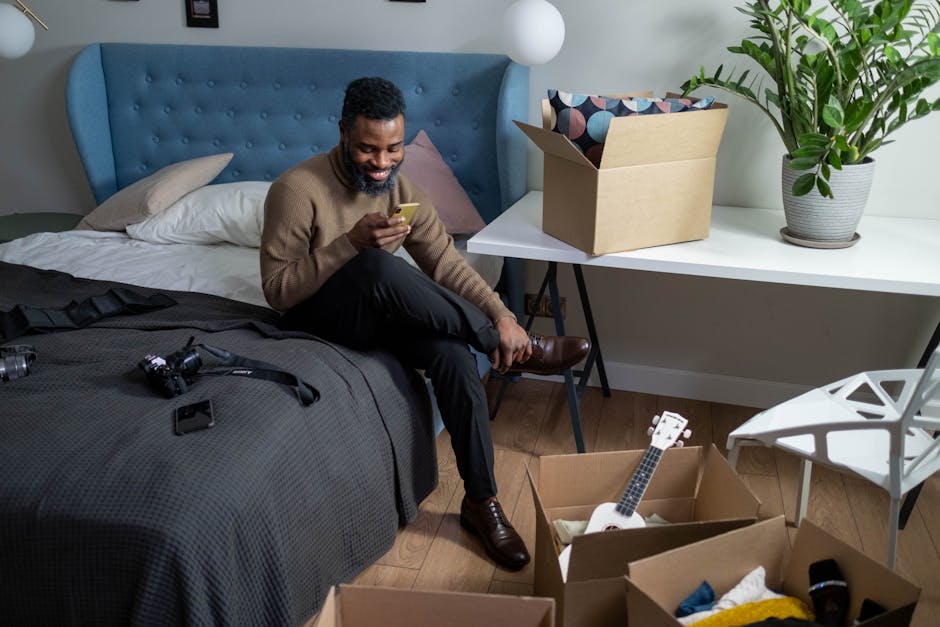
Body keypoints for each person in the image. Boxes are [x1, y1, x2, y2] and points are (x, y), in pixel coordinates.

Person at [259, 76, 590, 570]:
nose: (383, 161)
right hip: (314, 319)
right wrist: (349, 243)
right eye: (368, 149)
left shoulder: (403, 190)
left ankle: (481, 503)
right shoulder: (296, 189)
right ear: (344, 133)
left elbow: (446, 264)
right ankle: (522, 352)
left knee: (453, 357)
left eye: (394, 148)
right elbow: (278, 290)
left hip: (377, 316)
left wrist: (501, 312)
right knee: (373, 264)